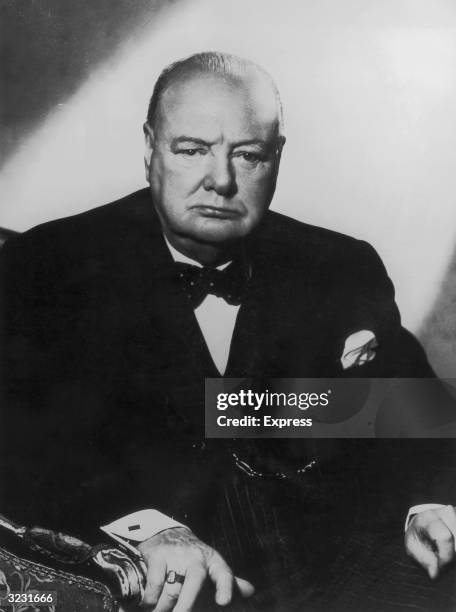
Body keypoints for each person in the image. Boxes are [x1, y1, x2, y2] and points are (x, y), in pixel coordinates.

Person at [0, 52, 453, 611]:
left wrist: (429, 504)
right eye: (192, 151)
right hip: (157, 577)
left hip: (332, 568)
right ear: (149, 149)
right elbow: (18, 444)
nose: (221, 179)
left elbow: (416, 413)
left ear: (278, 158)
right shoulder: (44, 265)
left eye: (249, 155)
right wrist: (143, 531)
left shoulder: (340, 264)